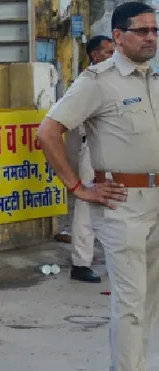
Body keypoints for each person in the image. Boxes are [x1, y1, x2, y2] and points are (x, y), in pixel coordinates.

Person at [40, 1, 159, 371]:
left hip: (156, 201)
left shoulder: (153, 79)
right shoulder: (98, 81)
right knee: (129, 303)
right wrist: (77, 187)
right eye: (141, 30)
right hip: (120, 201)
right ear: (119, 35)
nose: (150, 37)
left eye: (154, 29)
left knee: (146, 304)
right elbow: (49, 132)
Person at [70, 34, 115, 283]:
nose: (112, 56)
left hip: (121, 149)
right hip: (95, 146)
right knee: (86, 206)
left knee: (119, 204)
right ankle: (80, 262)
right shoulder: (88, 81)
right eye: (107, 52)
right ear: (95, 55)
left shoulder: (118, 78)